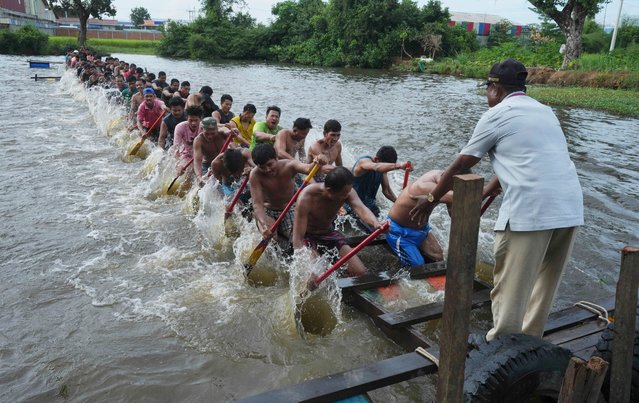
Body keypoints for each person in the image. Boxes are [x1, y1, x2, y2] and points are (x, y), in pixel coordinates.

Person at [409, 58, 584, 341]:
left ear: (496, 88)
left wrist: (431, 198)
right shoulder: (545, 111)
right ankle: (530, 347)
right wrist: (487, 192)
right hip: (570, 209)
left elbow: (462, 163)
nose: (487, 96)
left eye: (487, 89)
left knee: (510, 290)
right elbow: (524, 161)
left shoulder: (497, 114)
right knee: (543, 290)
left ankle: (501, 351)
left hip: (531, 212)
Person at [388, 170, 499, 265]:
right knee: (417, 265)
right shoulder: (425, 185)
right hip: (399, 232)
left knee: (438, 257)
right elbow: (462, 197)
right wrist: (488, 190)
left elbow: (453, 214)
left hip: (422, 231)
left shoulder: (445, 184)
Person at [292, 167, 382, 277]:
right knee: (315, 275)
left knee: (360, 272)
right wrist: (306, 265)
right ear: (329, 191)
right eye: (345, 193)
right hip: (308, 236)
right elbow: (298, 239)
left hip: (328, 234)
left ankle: (336, 274)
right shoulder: (306, 197)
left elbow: (361, 209)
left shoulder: (348, 192)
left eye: (349, 190)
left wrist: (376, 223)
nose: (348, 194)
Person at [249, 143, 324, 246]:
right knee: (270, 238)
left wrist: (318, 161)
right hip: (268, 212)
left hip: (288, 209)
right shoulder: (255, 175)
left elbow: (308, 169)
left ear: (276, 158)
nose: (267, 170)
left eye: (270, 164)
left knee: (297, 239)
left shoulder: (290, 165)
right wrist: (263, 223)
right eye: (262, 167)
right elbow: (257, 204)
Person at [349, 146, 409, 217]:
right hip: (353, 206)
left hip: (370, 205)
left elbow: (386, 191)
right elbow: (377, 167)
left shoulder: (383, 170)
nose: (386, 170)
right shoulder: (363, 162)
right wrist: (399, 165)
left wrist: (400, 204)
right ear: (376, 159)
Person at [192, 117, 235, 186]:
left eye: (212, 133)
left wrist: (232, 132)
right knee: (205, 185)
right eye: (207, 133)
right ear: (202, 130)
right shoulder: (198, 140)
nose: (210, 136)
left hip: (224, 163)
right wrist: (199, 177)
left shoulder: (221, 133)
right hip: (208, 165)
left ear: (217, 129)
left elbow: (227, 132)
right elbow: (197, 161)